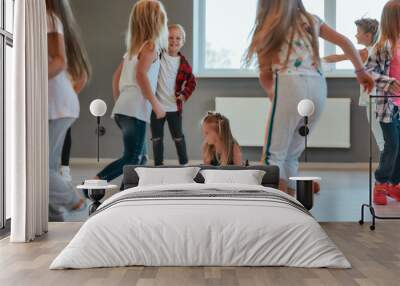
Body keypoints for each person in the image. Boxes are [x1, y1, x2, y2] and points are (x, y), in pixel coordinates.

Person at [245, 0, 374, 194]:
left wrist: (274, 95)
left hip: (290, 84)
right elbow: (345, 42)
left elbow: (265, 74)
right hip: (318, 87)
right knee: (292, 154)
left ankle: (277, 206)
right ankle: (292, 199)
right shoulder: (311, 20)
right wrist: (360, 72)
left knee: (273, 156)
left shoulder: (269, 25)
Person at [95, 0, 167, 182]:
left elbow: (115, 77)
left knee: (141, 158)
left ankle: (128, 191)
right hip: (135, 111)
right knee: (132, 158)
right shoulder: (150, 46)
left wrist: (121, 103)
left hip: (124, 109)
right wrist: (156, 104)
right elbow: (141, 75)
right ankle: (94, 182)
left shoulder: (133, 50)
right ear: (157, 22)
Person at [46, 0, 90, 221]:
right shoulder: (48, 18)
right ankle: (53, 218)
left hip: (58, 104)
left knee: (39, 170)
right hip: (57, 105)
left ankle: (76, 200)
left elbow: (60, 62)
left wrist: (27, 80)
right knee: (49, 166)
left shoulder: (48, 18)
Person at [324, 18, 384, 152]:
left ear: (368, 36)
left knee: (381, 141)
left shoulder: (364, 53)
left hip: (373, 101)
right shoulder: (381, 51)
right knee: (388, 139)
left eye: (358, 32)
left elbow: (338, 57)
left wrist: (317, 60)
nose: (356, 35)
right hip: (384, 99)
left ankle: (388, 171)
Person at [365, 0, 400, 205]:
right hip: (387, 106)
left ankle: (394, 185)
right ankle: (380, 183)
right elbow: (369, 73)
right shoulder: (381, 47)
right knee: (392, 145)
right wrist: (389, 82)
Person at [151, 24, 197, 166]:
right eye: (170, 37)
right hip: (156, 106)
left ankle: (184, 164)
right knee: (156, 138)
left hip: (174, 108)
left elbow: (192, 82)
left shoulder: (184, 64)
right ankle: (158, 165)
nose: (174, 41)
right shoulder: (157, 56)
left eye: (178, 38)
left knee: (178, 137)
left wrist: (184, 95)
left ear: (183, 41)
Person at [60, 71, 90, 181]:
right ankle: (62, 169)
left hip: (64, 103)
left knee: (65, 132)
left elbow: (83, 75)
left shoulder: (71, 60)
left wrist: (71, 94)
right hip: (53, 100)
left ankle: (65, 169)